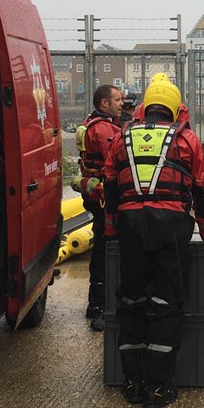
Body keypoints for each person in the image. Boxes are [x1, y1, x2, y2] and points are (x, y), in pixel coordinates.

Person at [103, 79, 204, 408]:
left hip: (130, 224)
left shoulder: (122, 136)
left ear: (146, 106)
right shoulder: (186, 139)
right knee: (167, 302)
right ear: (174, 108)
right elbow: (203, 191)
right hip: (171, 225)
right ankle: (158, 386)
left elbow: (111, 186)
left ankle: (133, 382)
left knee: (131, 300)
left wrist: (112, 230)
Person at [77, 84, 124, 329]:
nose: (122, 104)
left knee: (101, 245)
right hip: (105, 197)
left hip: (96, 195)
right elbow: (115, 160)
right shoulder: (104, 129)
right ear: (104, 103)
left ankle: (96, 302)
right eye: (117, 100)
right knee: (106, 248)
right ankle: (101, 303)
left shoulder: (91, 123)